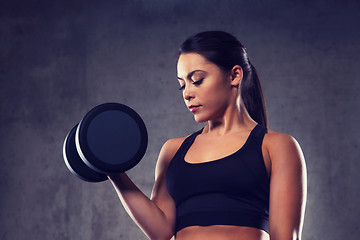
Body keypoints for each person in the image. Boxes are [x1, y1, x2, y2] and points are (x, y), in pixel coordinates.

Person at [108, 31, 307, 240]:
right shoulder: (173, 150)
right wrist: (113, 171)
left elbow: (285, 237)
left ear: (234, 75)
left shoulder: (276, 146)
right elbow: (161, 231)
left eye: (197, 80)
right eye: (182, 85)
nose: (187, 93)